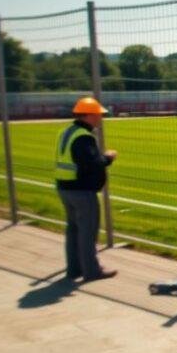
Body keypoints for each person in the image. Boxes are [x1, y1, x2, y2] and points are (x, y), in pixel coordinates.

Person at [54, 97, 117, 281]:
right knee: (87, 231)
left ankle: (74, 269)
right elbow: (92, 163)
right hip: (81, 190)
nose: (100, 118)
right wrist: (108, 157)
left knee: (73, 230)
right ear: (88, 115)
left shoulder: (66, 131)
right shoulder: (83, 137)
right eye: (98, 114)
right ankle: (92, 271)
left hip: (64, 187)